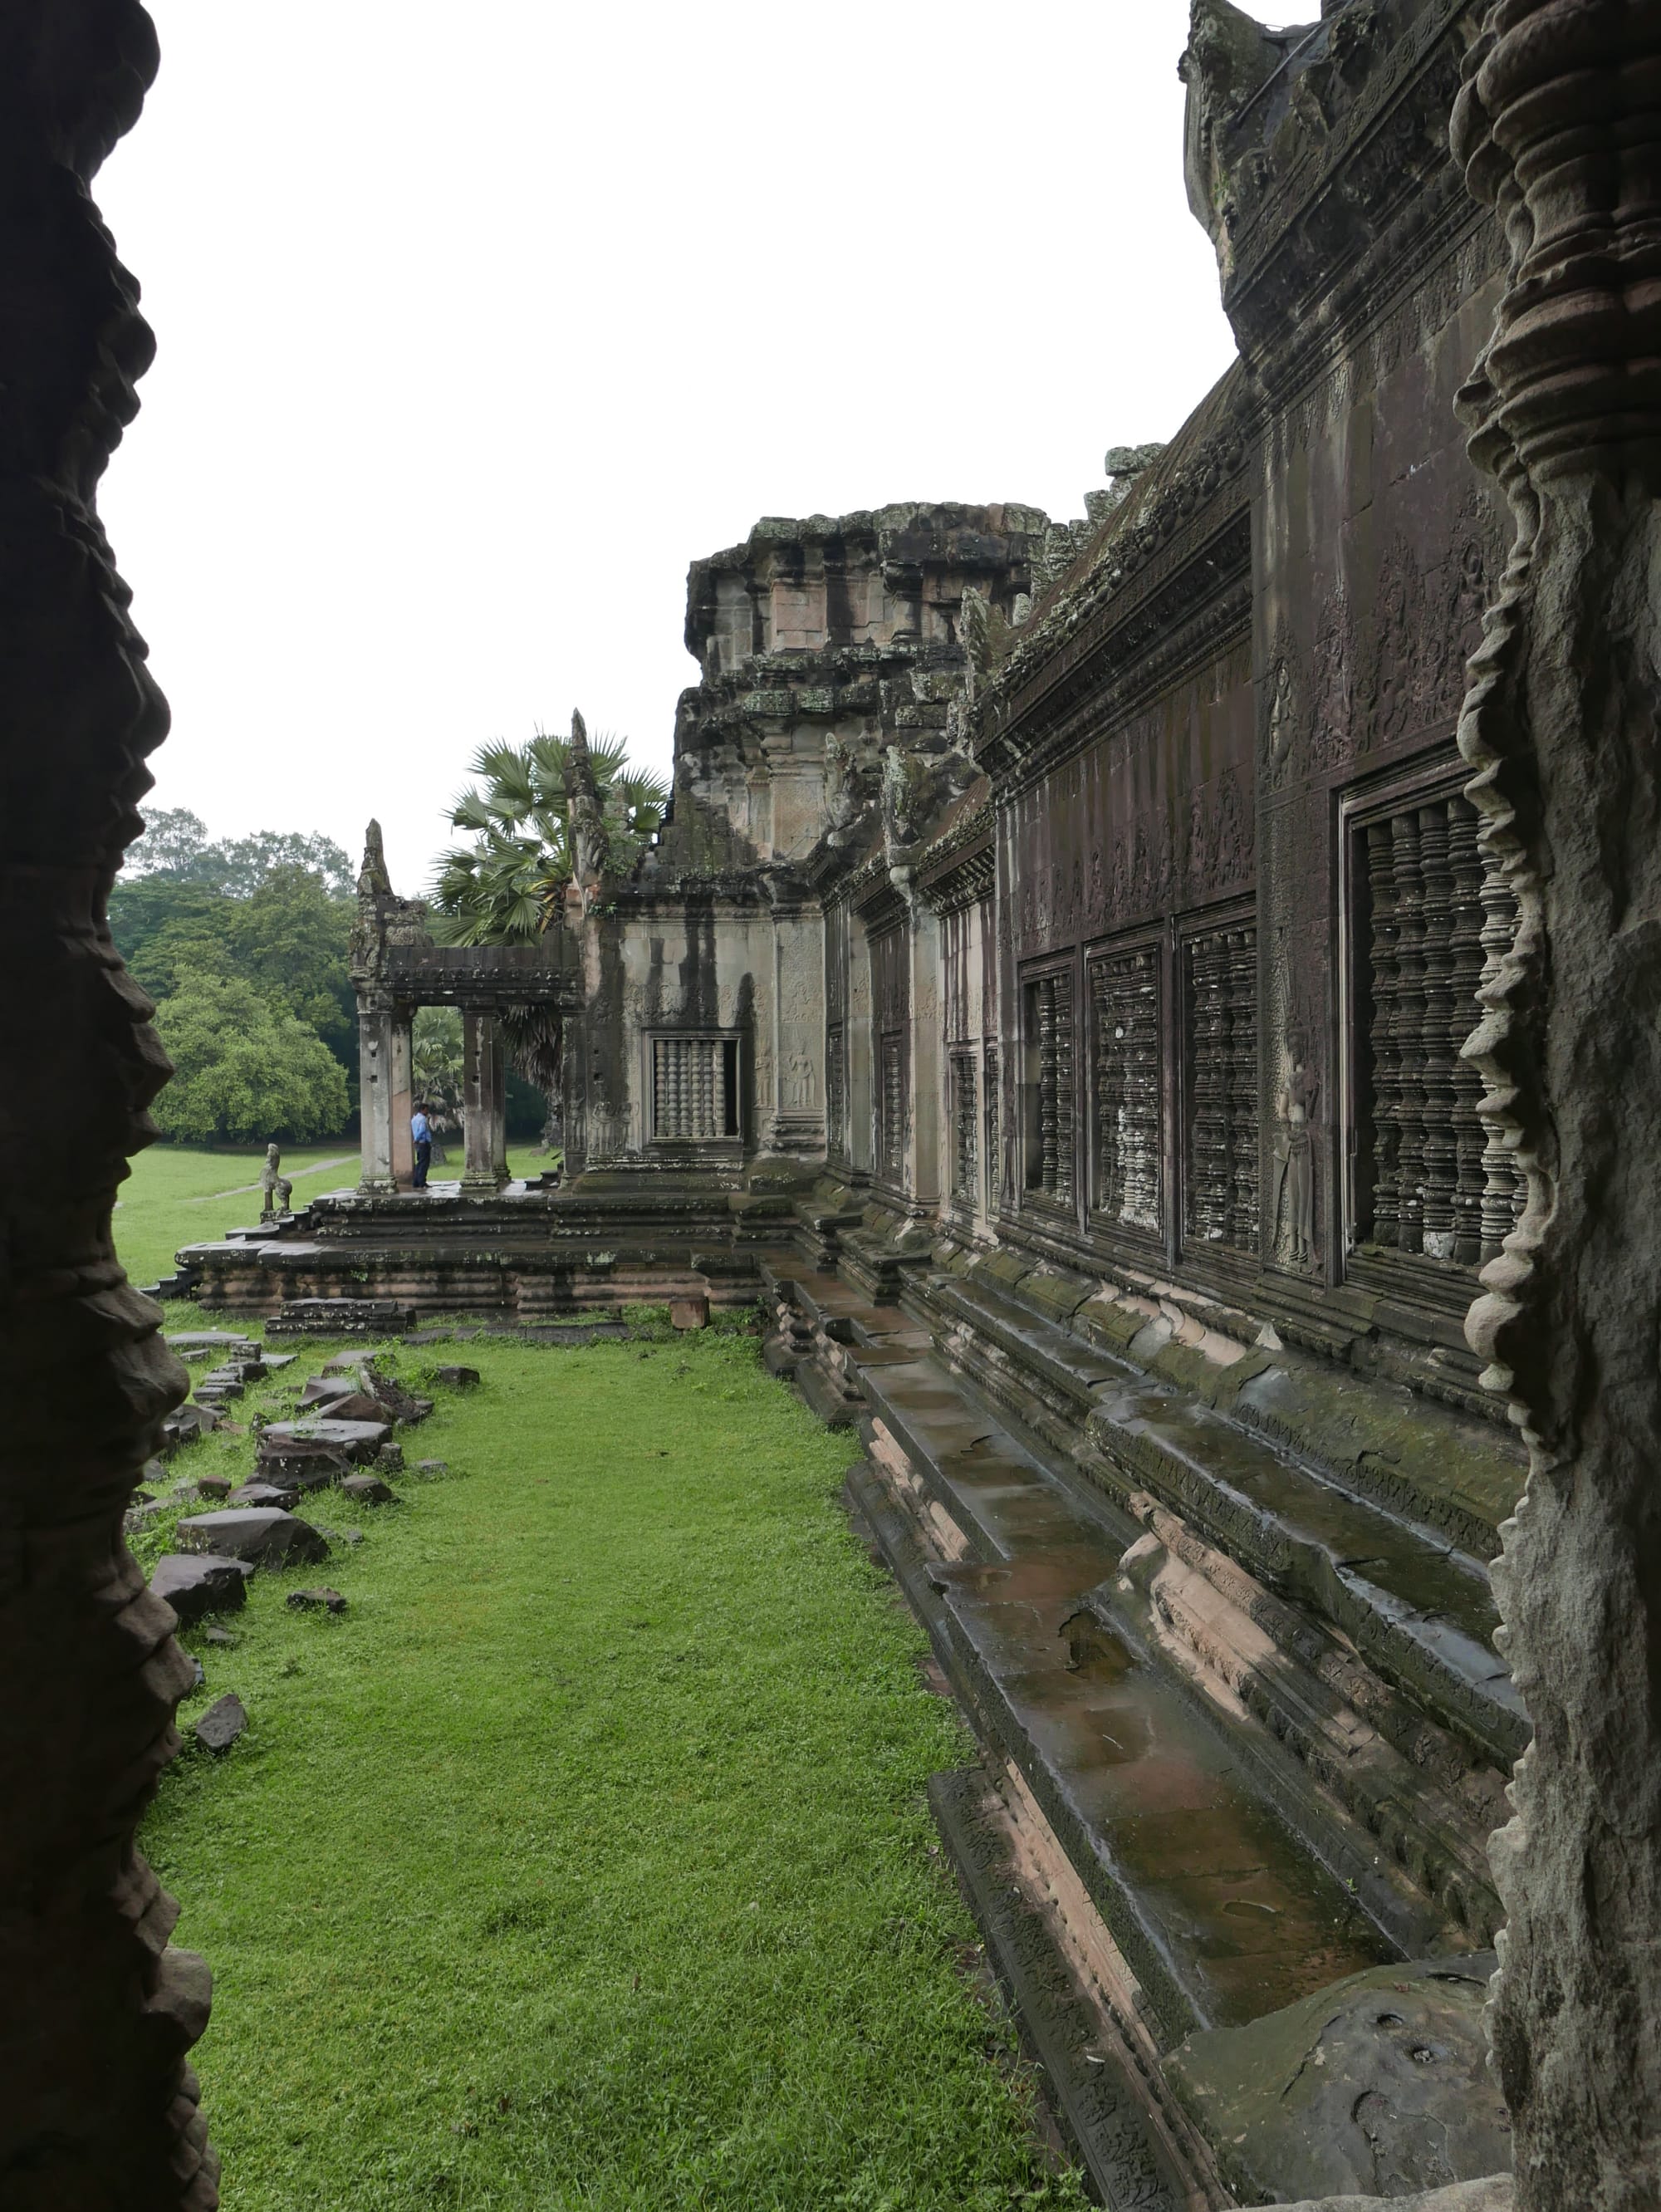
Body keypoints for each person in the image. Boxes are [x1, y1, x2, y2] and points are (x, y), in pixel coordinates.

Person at [410, 1101, 433, 1189]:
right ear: (422, 1110)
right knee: (424, 1164)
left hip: (418, 1145)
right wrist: (416, 1139)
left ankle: (416, 1182)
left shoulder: (414, 1119)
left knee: (419, 1163)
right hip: (423, 1143)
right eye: (426, 1110)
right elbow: (422, 1130)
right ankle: (422, 1182)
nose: (427, 1112)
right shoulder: (423, 1119)